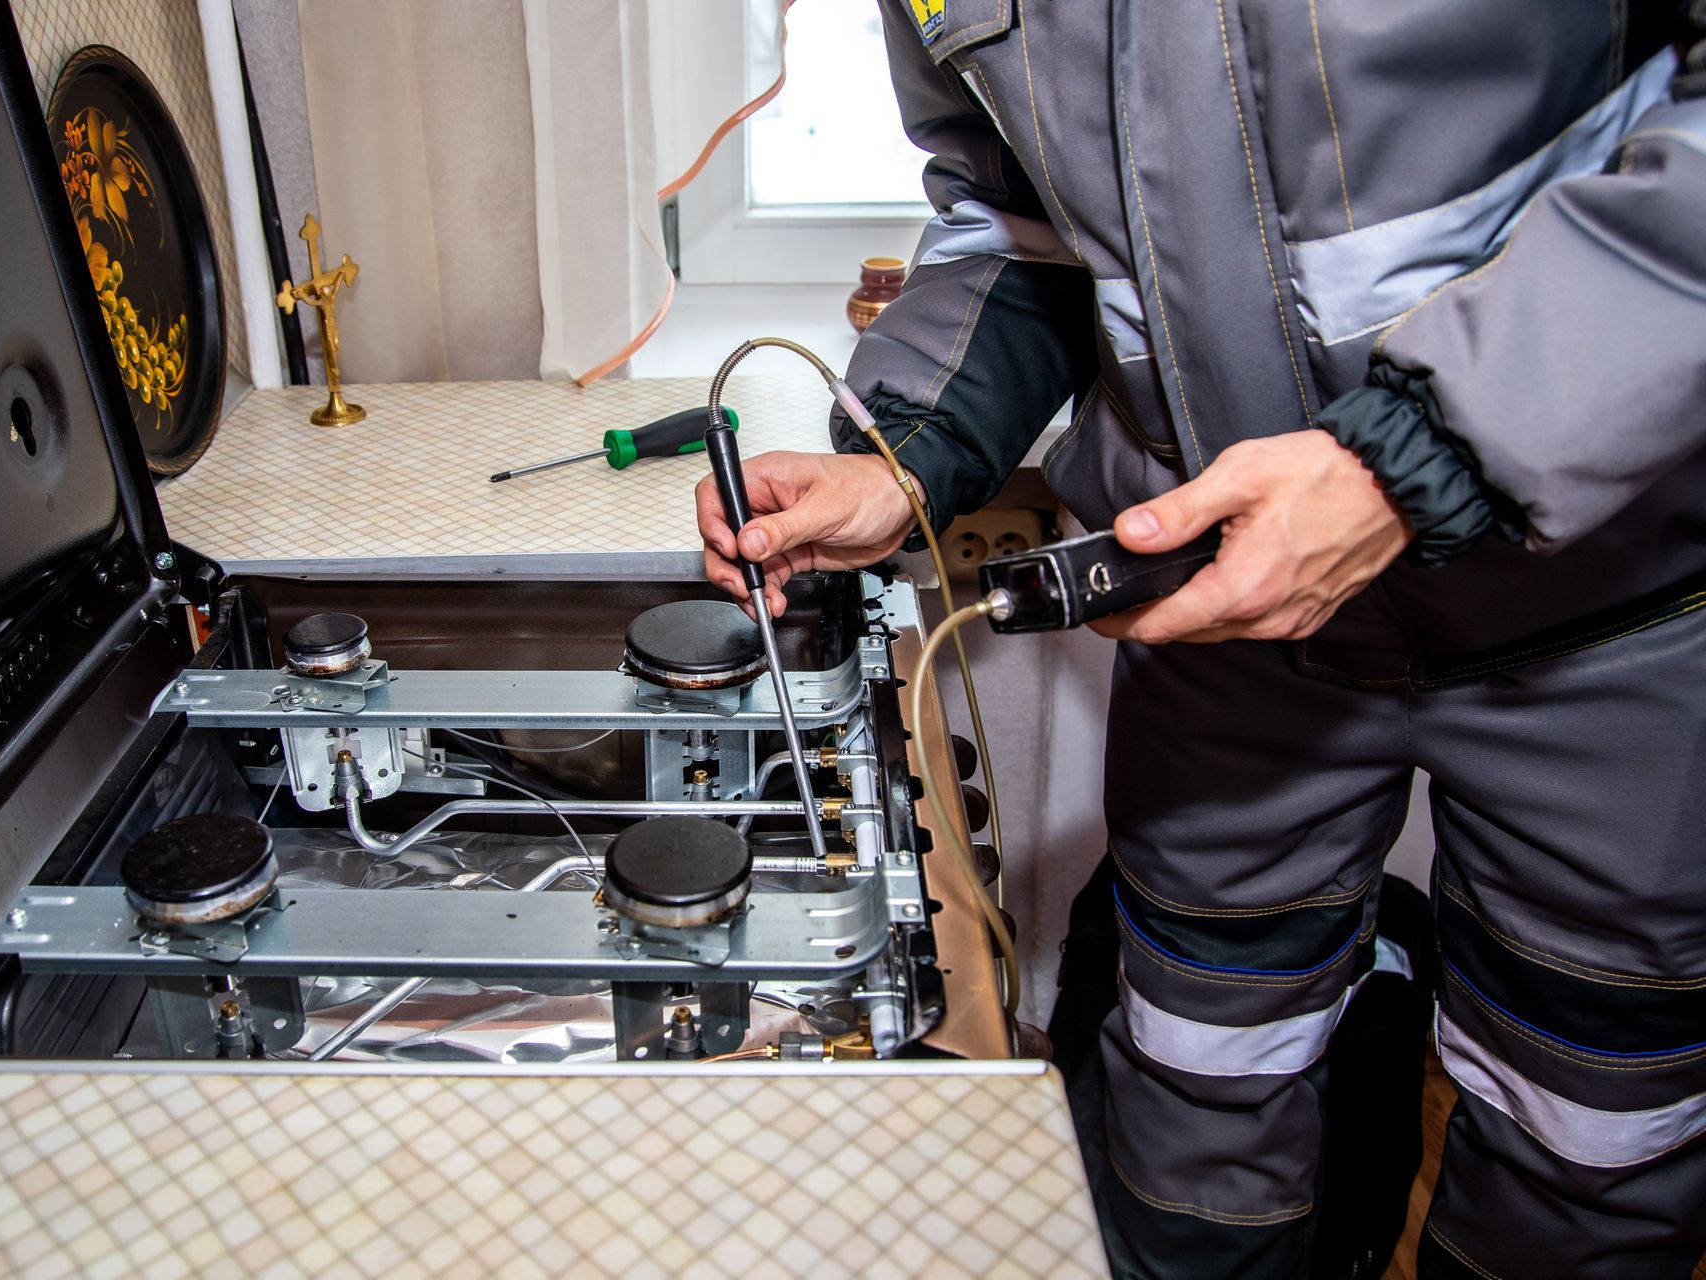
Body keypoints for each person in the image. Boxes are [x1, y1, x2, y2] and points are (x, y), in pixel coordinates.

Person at [696, 4, 1706, 1276]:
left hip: (1613, 592)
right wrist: (905, 456)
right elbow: (1016, 223)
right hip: (1220, 620)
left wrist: (1425, 455)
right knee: (1193, 1077)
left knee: (1595, 1138)